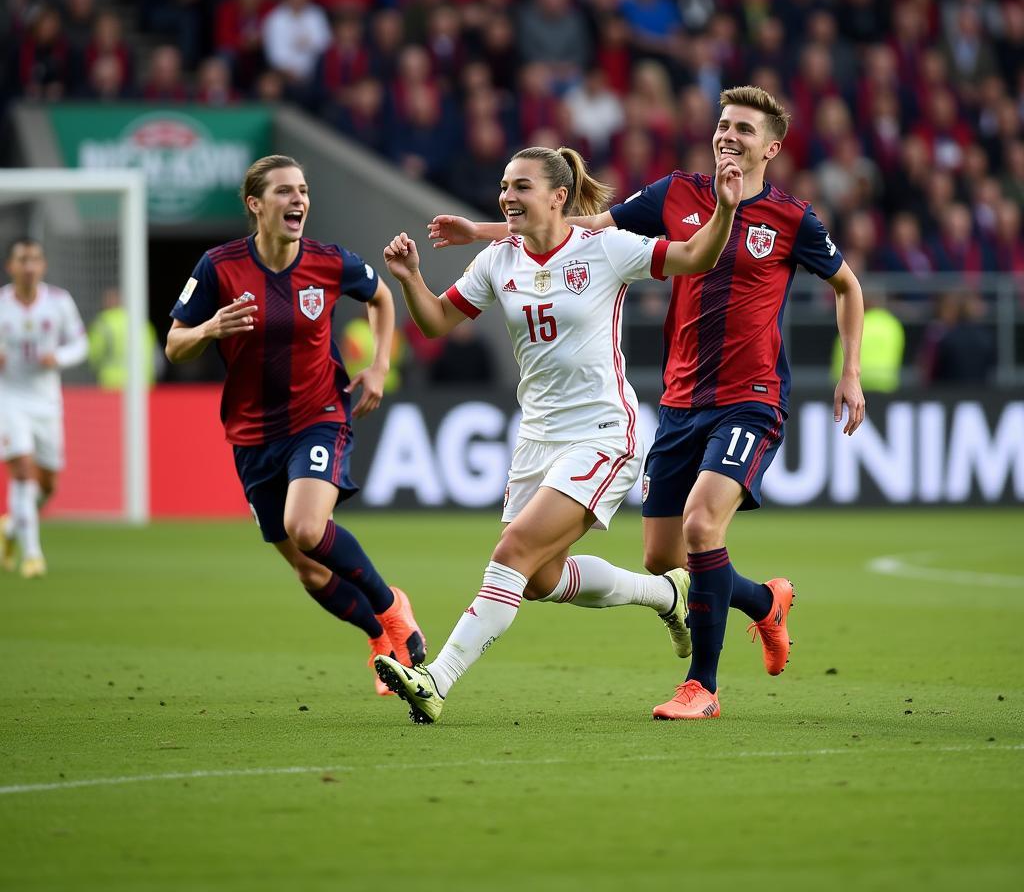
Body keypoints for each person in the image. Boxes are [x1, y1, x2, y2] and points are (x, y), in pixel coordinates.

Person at [429, 86, 866, 720]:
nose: (728, 136)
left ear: (770, 147)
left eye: (744, 129)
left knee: (701, 526)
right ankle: (765, 602)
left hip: (751, 397)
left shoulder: (793, 219)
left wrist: (849, 371)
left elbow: (847, 288)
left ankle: (703, 687)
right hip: (681, 398)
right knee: (666, 562)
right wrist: (482, 230)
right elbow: (572, 227)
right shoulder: (674, 195)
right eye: (723, 125)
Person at [375, 143, 743, 724]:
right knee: (540, 579)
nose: (506, 196)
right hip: (537, 438)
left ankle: (435, 680)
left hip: (602, 432)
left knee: (512, 553)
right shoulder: (499, 259)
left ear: (558, 196)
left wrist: (725, 209)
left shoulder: (605, 250)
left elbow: (697, 255)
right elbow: (437, 320)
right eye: (503, 186)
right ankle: (667, 596)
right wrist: (411, 279)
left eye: (520, 186)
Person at [165, 154, 425, 696]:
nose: (299, 200)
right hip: (250, 435)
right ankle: (379, 635)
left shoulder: (329, 262)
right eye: (285, 192)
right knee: (308, 569)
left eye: (303, 190)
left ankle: (391, 608)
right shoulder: (219, 266)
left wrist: (378, 365)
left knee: (308, 527)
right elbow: (175, 345)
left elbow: (379, 295)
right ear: (255, 205)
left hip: (318, 415)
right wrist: (211, 327)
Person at [0, 238, 88, 577]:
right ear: (11, 267)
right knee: (22, 469)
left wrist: (60, 357)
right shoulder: (2, 304)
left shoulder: (58, 302)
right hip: (9, 399)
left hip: (46, 402)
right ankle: (33, 555)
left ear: (43, 266)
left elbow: (80, 342)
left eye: (34, 259)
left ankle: (10, 530)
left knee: (47, 484)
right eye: (22, 259)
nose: (29, 266)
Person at [87, 287, 160, 389]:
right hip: (144, 383)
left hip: (113, 384)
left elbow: (93, 354)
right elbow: (156, 357)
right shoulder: (143, 322)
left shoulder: (103, 322)